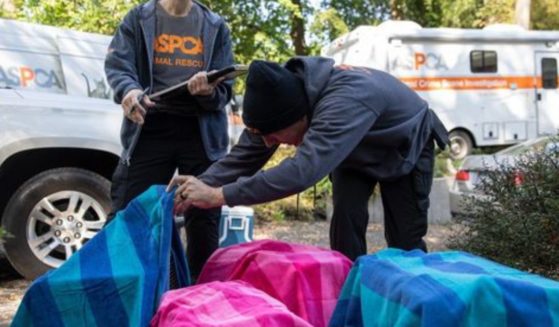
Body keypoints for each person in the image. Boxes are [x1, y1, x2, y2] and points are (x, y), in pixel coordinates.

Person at [169, 57, 449, 261]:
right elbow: (243, 157)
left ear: (300, 117)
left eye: (274, 136)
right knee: (345, 229)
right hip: (354, 150)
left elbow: (301, 172)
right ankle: (348, 301)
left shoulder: (344, 101)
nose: (269, 144)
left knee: (404, 244)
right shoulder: (282, 99)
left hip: (404, 145)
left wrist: (219, 195)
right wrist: (197, 187)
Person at [104, 0, 234, 278]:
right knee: (129, 213)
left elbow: (225, 92)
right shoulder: (138, 18)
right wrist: (128, 91)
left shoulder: (215, 25)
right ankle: (124, 289)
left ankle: (198, 300)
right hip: (149, 127)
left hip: (201, 134)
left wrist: (208, 92)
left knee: (203, 221)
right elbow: (119, 66)